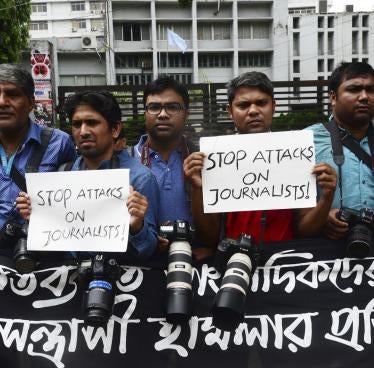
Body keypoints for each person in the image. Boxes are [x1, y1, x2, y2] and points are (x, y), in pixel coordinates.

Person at [183, 71, 336, 248]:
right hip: (233, 265)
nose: (253, 111)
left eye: (261, 103)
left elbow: (305, 230)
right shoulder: (213, 159)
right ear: (230, 111)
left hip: (283, 267)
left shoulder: (294, 153)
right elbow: (209, 237)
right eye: (243, 105)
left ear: (274, 106)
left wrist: (327, 197)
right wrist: (197, 188)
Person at [17, 91, 159, 260]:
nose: (83, 131)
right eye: (77, 124)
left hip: (119, 281)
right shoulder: (62, 175)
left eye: (92, 123)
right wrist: (37, 221)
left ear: (115, 129)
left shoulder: (140, 179)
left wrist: (137, 226)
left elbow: (149, 251)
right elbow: (50, 250)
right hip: (68, 282)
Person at [0, 63, 76, 253]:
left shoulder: (59, 143)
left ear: (31, 102)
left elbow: (76, 201)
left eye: (12, 94)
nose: (2, 102)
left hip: (44, 261)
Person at [132, 77, 201, 252]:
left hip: (194, 260)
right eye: (154, 107)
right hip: (142, 266)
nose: (163, 114)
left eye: (172, 107)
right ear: (145, 113)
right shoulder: (126, 161)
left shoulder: (201, 160)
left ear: (186, 113)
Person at [307, 61, 374, 240]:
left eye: (371, 90)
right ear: (333, 97)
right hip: (326, 255)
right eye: (354, 89)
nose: (364, 97)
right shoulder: (307, 140)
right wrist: (322, 215)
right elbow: (292, 209)